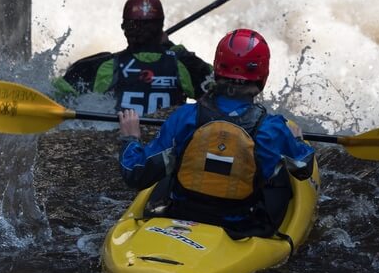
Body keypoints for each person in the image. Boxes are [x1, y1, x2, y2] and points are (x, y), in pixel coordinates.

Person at [118, 28, 316, 234]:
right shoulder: (273, 128)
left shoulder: (185, 117)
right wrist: (298, 141)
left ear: (217, 69)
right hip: (238, 227)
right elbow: (303, 167)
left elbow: (135, 173)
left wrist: (130, 138)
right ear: (262, 75)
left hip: (181, 216)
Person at [54, 0, 213, 114]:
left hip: (124, 147)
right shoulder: (182, 65)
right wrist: (173, 47)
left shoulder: (102, 67)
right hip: (166, 150)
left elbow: (55, 95)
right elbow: (221, 87)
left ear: (124, 29)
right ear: (161, 27)